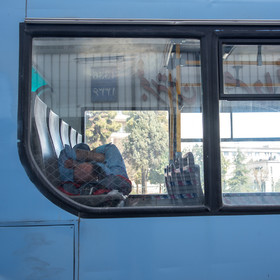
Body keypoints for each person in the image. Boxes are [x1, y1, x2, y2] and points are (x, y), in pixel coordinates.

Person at [58, 143, 132, 196]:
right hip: (111, 178)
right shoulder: (116, 175)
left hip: (102, 178)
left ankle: (85, 157)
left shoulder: (67, 170)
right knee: (110, 149)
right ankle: (87, 157)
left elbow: (66, 154)